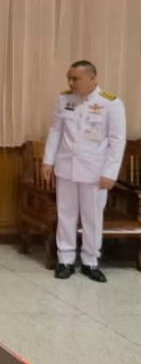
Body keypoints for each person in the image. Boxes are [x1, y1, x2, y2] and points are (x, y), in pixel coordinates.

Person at [41, 60, 127, 283]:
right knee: (66, 214)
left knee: (92, 218)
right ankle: (65, 260)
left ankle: (90, 261)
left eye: (75, 79)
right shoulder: (65, 99)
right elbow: (56, 131)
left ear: (93, 78)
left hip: (95, 171)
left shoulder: (111, 103)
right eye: (69, 78)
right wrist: (48, 162)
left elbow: (117, 141)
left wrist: (110, 173)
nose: (70, 83)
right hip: (66, 167)